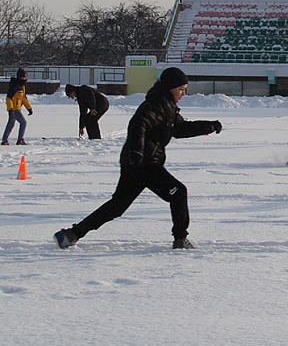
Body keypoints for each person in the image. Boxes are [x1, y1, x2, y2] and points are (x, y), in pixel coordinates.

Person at [54, 67, 222, 250]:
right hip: (144, 162)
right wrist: (137, 151)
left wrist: (209, 126)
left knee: (117, 206)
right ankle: (180, 239)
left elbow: (180, 129)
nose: (183, 93)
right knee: (178, 192)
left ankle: (71, 234)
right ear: (169, 87)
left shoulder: (167, 106)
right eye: (181, 89)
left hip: (136, 162)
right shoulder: (157, 104)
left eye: (185, 89)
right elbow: (138, 123)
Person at [3, 68, 33, 145]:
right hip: (15, 109)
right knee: (23, 123)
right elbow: (8, 98)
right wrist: (10, 109)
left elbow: (24, 99)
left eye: (26, 77)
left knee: (10, 124)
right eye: (24, 77)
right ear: (19, 78)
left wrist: (29, 108)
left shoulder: (22, 87)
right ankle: (20, 140)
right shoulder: (14, 86)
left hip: (17, 108)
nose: (25, 79)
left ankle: (4, 140)